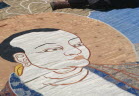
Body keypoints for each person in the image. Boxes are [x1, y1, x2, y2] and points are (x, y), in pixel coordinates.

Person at [0, 28, 134, 95]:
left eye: (77, 44)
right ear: (22, 58)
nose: (75, 51)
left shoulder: (124, 71)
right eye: (52, 49)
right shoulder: (16, 90)